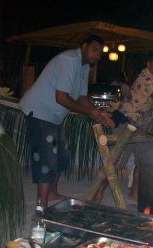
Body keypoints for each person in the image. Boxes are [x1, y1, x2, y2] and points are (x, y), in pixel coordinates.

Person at [20, 35, 114, 208]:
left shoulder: (84, 66)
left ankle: (53, 193)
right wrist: (90, 112)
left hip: (54, 116)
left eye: (100, 53)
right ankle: (42, 205)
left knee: (62, 155)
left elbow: (81, 97)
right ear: (84, 46)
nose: (97, 56)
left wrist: (99, 112)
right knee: (46, 157)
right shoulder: (69, 60)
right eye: (94, 50)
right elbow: (61, 98)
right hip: (39, 111)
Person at [93, 50, 153, 203]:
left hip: (141, 128)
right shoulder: (148, 80)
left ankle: (134, 194)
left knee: (142, 162)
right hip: (126, 124)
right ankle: (97, 194)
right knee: (114, 162)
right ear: (149, 64)